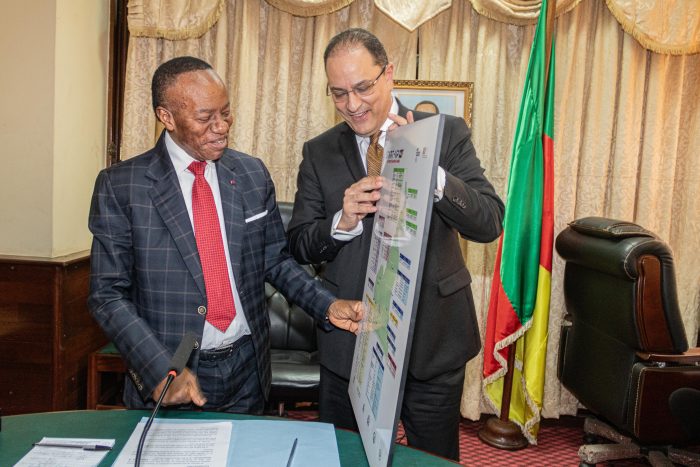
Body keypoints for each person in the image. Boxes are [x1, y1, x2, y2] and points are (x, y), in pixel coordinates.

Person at [88, 56, 363, 414]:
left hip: (248, 370)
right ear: (166, 117)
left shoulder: (250, 174)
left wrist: (327, 305)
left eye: (226, 112)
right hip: (173, 375)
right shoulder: (122, 186)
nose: (221, 126)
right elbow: (107, 295)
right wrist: (157, 368)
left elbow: (275, 261)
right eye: (205, 117)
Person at [287, 28, 504, 460]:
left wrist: (430, 170)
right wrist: (342, 222)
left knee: (432, 459)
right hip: (351, 340)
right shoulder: (319, 152)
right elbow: (299, 244)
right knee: (346, 457)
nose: (352, 104)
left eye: (362, 88)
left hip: (433, 338)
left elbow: (488, 222)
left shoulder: (443, 133)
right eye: (339, 93)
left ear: (389, 73)